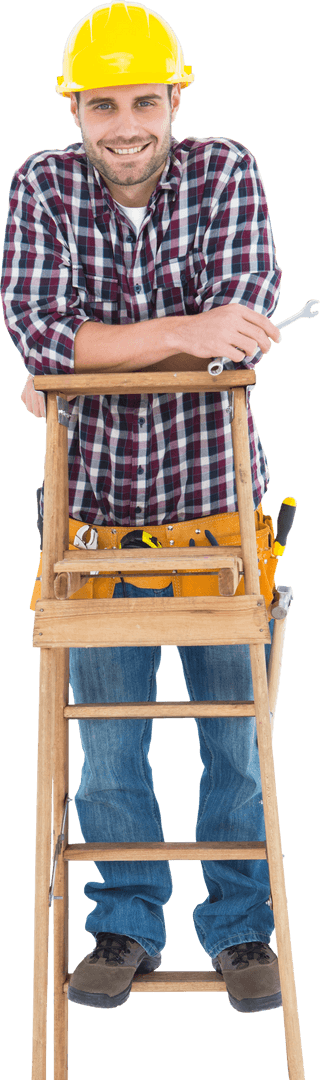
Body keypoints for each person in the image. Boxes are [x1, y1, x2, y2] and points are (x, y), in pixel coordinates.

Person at [1, 2, 283, 1014]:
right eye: (103, 104)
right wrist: (181, 331)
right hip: (92, 522)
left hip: (216, 511)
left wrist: (88, 356)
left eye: (145, 101)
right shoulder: (41, 186)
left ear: (176, 98)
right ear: (74, 107)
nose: (126, 126)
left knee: (233, 741)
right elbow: (39, 335)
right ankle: (123, 924)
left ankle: (243, 931)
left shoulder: (226, 171)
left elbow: (238, 332)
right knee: (108, 748)